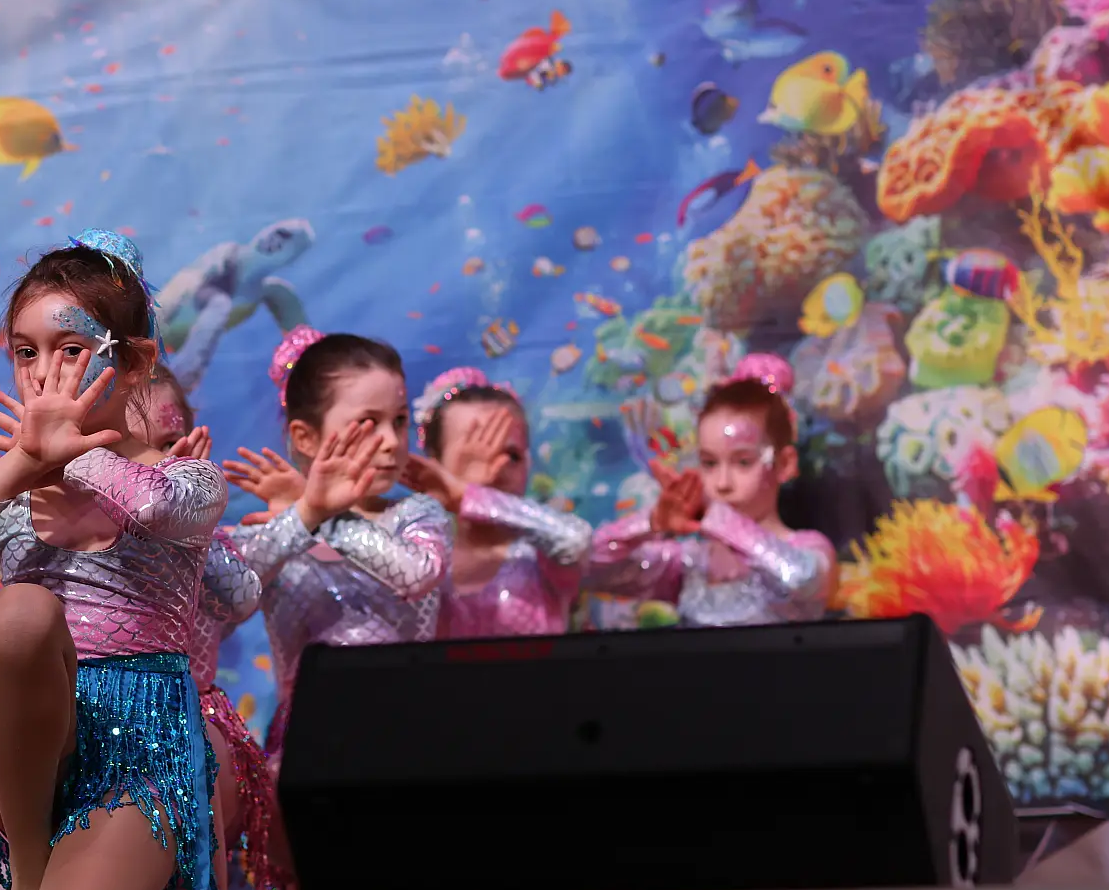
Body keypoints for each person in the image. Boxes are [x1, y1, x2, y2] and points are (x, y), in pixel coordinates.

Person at [0, 231, 226, 890]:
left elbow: (157, 509)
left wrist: (71, 455)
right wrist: (12, 470)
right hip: (18, 754)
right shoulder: (3, 489)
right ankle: (28, 873)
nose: (44, 376)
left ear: (135, 363)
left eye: (71, 350)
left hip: (138, 745)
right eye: (25, 353)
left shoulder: (186, 478)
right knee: (21, 610)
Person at [223, 327, 453, 770]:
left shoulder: (419, 514)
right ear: (306, 438)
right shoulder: (279, 527)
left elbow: (416, 572)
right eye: (368, 423)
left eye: (399, 420)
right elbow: (225, 599)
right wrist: (304, 515)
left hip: (413, 743)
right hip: (308, 752)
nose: (391, 441)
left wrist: (321, 515)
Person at [136, 364, 288, 890]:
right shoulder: (77, 535)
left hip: (196, 725)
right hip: (93, 724)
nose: (160, 467)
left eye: (170, 446)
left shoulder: (207, 542)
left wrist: (190, 524)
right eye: (137, 450)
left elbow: (241, 594)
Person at [586, 354, 837, 626]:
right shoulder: (690, 562)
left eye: (743, 462)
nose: (722, 483)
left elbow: (800, 579)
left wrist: (712, 514)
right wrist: (651, 522)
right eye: (709, 463)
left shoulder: (809, 548)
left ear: (784, 463)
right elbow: (588, 566)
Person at [402, 367, 593, 639]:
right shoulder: (416, 560)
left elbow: (575, 541)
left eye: (511, 455)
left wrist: (467, 496)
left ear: (528, 462)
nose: (496, 467)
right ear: (434, 463)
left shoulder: (540, 559)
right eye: (474, 454)